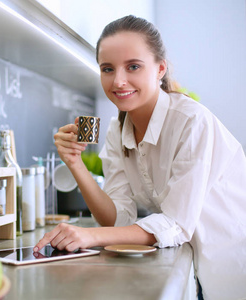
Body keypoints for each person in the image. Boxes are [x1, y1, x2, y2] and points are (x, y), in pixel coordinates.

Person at [34, 15, 246, 300]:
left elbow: (176, 223)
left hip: (234, 266)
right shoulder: (118, 129)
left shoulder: (192, 122)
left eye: (133, 66)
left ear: (160, 69)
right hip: (199, 271)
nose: (119, 81)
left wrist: (89, 236)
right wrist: (75, 163)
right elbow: (118, 218)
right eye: (107, 69)